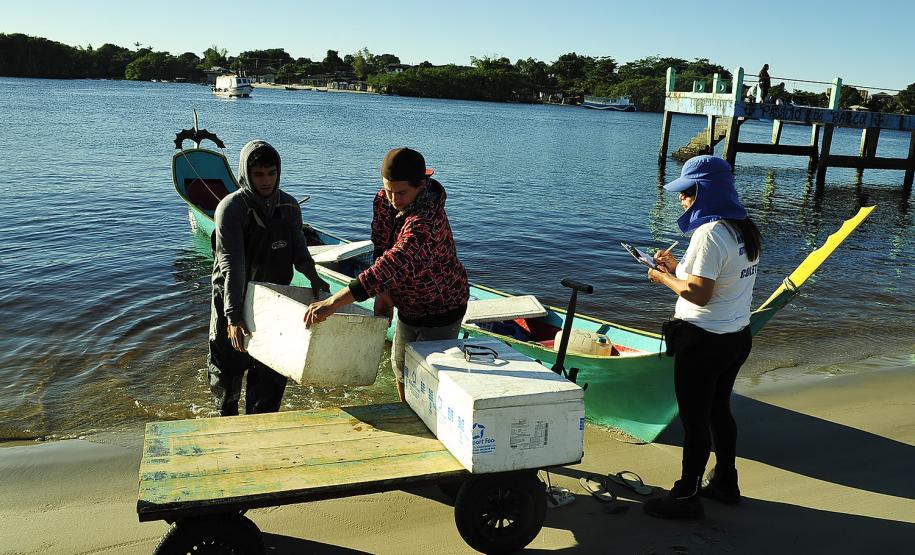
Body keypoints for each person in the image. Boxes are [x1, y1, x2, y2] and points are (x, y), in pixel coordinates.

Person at [643, 155, 762, 519]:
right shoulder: (742, 227)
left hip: (703, 341)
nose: (682, 200)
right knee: (718, 411)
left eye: (688, 192)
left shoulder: (709, 234)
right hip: (736, 336)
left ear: (706, 192)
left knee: (695, 420)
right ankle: (726, 481)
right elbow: (715, 280)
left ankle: (685, 495)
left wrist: (662, 278)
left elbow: (698, 294)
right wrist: (675, 267)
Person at [302, 147, 469, 402]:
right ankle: (405, 411)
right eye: (388, 190)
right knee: (400, 366)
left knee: (430, 375)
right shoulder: (384, 200)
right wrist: (384, 294)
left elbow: (390, 265)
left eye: (401, 193)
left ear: (422, 185)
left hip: (442, 306)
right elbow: (381, 246)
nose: (393, 199)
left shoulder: (425, 224)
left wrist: (332, 303)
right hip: (408, 304)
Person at [209, 140, 328, 416]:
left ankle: (260, 425)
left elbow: (299, 250)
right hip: (231, 294)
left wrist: (314, 279)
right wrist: (233, 317)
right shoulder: (231, 209)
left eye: (271, 173)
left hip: (272, 299)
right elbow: (232, 266)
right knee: (227, 371)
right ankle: (225, 420)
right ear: (246, 174)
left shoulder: (288, 206)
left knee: (270, 373)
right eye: (259, 174)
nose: (266, 181)